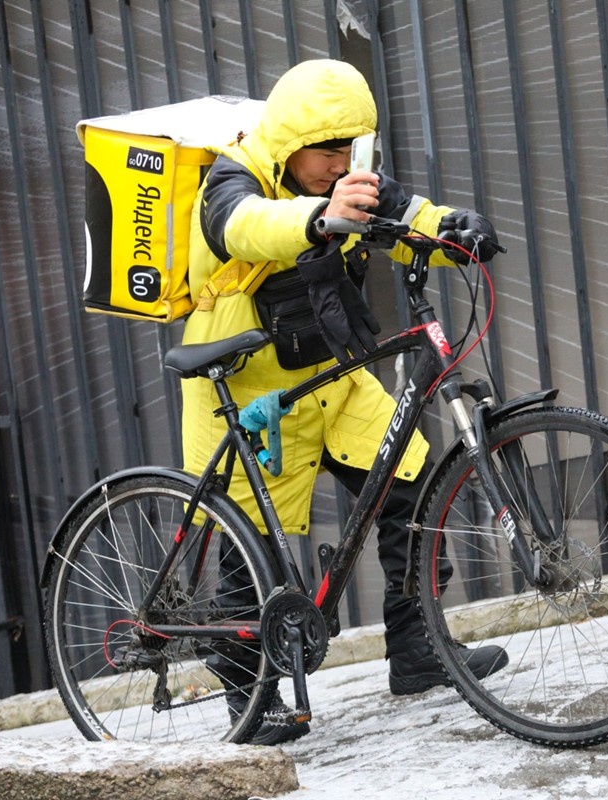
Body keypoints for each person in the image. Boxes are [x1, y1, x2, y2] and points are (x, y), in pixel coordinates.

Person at [180, 59, 506, 745]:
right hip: (248, 385)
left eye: (349, 148)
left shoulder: (342, 178)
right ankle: (252, 697)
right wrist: (318, 217)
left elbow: (406, 214)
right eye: (326, 150)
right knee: (253, 555)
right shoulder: (232, 178)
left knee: (410, 489)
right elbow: (245, 228)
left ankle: (418, 650)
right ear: (291, 142)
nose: (340, 163)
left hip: (333, 373)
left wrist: (456, 229)